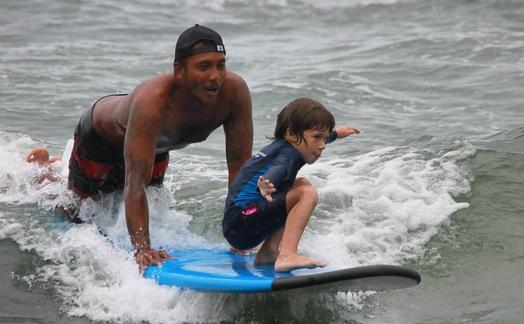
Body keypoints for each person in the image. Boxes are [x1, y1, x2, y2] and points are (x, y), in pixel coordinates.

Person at [63, 24, 253, 270]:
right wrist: (143, 250)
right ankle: (42, 175)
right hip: (100, 140)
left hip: (155, 147)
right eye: (204, 66)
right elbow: (135, 181)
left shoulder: (234, 93)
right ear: (180, 71)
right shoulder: (152, 103)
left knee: (151, 201)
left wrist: (241, 237)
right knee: (77, 213)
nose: (215, 76)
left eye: (221, 64)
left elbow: (240, 170)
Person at [222, 98, 359, 272]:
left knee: (299, 184)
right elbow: (274, 173)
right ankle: (287, 255)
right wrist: (264, 185)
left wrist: (337, 133)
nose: (323, 145)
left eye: (325, 138)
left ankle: (269, 252)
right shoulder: (288, 156)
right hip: (242, 223)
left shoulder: (286, 146)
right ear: (292, 135)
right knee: (306, 193)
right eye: (318, 137)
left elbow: (313, 137)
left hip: (237, 224)